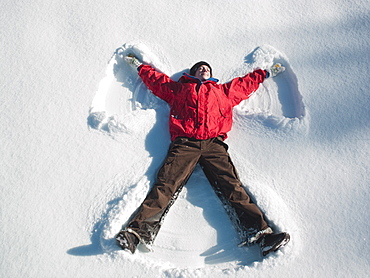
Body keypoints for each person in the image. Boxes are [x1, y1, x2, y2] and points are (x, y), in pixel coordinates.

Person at [115, 54, 290, 256]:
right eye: (199, 68)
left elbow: (245, 84)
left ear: (211, 74)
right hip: (185, 143)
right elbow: (158, 81)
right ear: (192, 74)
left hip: (214, 145)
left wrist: (266, 73)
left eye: (206, 68)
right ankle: (135, 234)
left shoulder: (223, 91)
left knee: (232, 186)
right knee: (166, 184)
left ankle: (261, 235)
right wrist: (139, 66)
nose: (203, 70)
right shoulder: (179, 89)